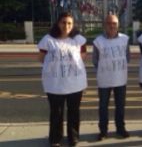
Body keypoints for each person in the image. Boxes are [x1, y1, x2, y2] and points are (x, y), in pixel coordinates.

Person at [37, 12, 87, 147]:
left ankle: (73, 137)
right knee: (56, 112)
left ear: (73, 24)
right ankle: (55, 138)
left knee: (74, 112)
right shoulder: (48, 39)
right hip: (54, 83)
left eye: (69, 23)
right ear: (58, 23)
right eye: (63, 22)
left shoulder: (78, 40)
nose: (66, 26)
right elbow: (41, 58)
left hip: (75, 83)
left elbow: (82, 57)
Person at [92, 15, 130, 141]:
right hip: (104, 79)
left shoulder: (125, 39)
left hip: (120, 79)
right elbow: (95, 60)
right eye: (109, 23)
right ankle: (103, 130)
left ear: (118, 24)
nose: (111, 25)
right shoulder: (98, 41)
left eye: (114, 23)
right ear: (104, 24)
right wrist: (106, 69)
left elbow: (127, 58)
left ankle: (120, 128)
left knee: (120, 105)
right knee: (103, 106)